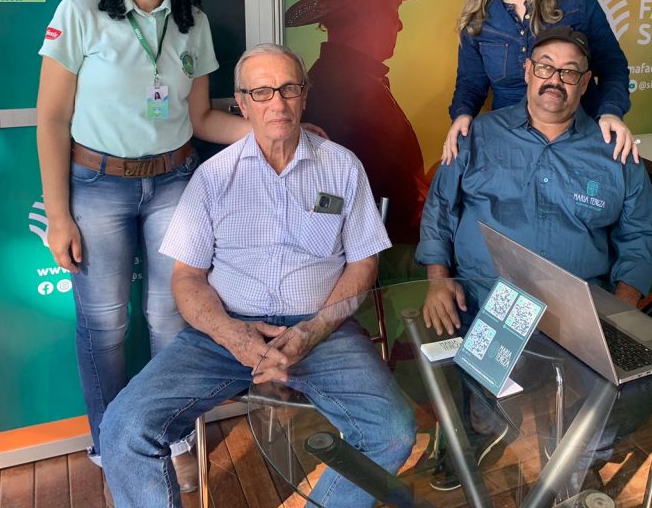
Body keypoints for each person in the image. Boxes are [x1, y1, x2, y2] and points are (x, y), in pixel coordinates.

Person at [100, 44, 416, 508]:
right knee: (123, 428)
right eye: (262, 92)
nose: (277, 103)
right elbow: (187, 279)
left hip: (321, 329)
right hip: (223, 332)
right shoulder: (213, 177)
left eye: (288, 89)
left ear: (305, 95)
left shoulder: (343, 166)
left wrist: (312, 330)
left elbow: (363, 263)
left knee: (393, 432)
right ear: (242, 103)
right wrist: (231, 334)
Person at [35, 0, 251, 489]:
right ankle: (113, 448)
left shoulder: (192, 23)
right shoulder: (81, 11)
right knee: (104, 325)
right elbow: (51, 119)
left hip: (174, 182)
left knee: (170, 316)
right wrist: (60, 215)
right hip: (97, 186)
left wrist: (270, 129)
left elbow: (202, 119)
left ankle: (170, 435)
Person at [418, 25, 652, 489]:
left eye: (569, 72)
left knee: (637, 388)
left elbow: (642, 236)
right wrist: (437, 277)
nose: (556, 80)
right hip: (492, 298)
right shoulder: (477, 134)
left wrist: (621, 311)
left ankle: (576, 451)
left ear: (585, 82)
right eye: (546, 67)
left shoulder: (616, 151)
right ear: (528, 71)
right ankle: (480, 435)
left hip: (578, 305)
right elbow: (440, 210)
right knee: (462, 364)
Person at [444, 0, 637, 166]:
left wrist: (610, 112)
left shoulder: (577, 0)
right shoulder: (477, 21)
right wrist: (462, 115)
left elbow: (612, 66)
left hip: (577, 140)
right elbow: (470, 83)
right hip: (509, 146)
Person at [285, 0, 433, 246]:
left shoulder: (347, 78)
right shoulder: (340, 92)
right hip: (375, 256)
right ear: (367, 15)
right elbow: (348, 201)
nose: (399, 25)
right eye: (393, 10)